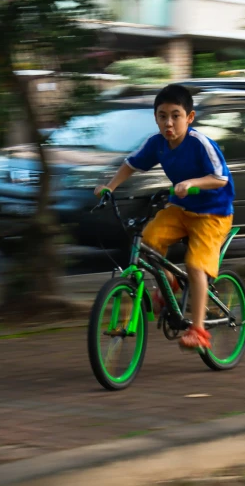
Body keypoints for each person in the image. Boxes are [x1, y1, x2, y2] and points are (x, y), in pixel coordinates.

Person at [94, 83, 235, 351]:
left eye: (175, 115)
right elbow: (131, 164)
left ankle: (199, 330)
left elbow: (220, 178)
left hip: (213, 214)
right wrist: (109, 188)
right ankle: (168, 287)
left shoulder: (200, 144)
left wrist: (191, 183)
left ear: (189, 118)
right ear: (156, 117)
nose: (168, 123)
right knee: (148, 241)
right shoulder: (157, 144)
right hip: (180, 209)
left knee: (195, 265)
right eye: (162, 116)